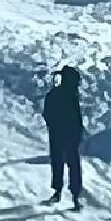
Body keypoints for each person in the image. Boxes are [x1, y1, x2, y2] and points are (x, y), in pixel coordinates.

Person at [42, 65, 85, 209]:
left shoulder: (54, 94)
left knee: (58, 162)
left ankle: (58, 192)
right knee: (73, 165)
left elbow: (47, 113)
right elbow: (77, 118)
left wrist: (53, 126)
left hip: (57, 134)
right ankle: (75, 196)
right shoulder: (72, 96)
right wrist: (78, 133)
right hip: (70, 135)